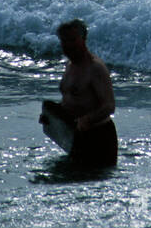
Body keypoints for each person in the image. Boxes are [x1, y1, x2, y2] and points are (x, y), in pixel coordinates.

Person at [39, 19, 118, 167]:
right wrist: (52, 118)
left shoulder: (95, 68)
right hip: (75, 133)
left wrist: (87, 119)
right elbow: (72, 99)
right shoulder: (69, 65)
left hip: (99, 136)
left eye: (73, 40)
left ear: (84, 39)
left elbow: (109, 106)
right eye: (64, 41)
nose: (68, 45)